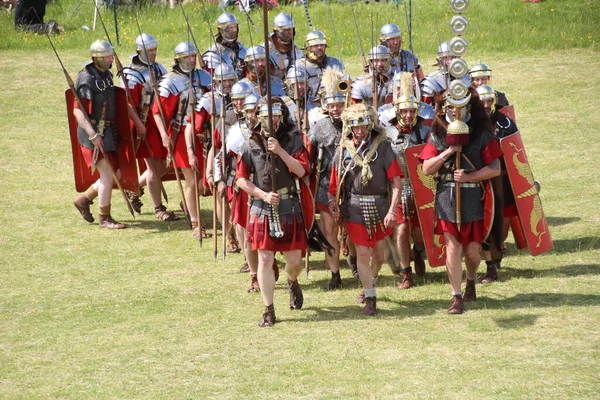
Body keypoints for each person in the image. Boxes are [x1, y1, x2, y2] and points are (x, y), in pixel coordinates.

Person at [419, 89, 503, 314]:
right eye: (450, 108)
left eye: (459, 108)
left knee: (472, 253)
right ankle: (456, 296)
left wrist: (470, 176)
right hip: (446, 197)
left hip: (473, 196)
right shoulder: (437, 134)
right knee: (453, 248)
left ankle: (471, 279)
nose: (455, 113)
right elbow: (426, 168)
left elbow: (495, 168)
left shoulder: (482, 134)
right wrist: (447, 152)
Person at [235, 98, 310, 327]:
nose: (272, 120)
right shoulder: (250, 144)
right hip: (262, 205)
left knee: (295, 261)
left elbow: (301, 171)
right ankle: (269, 309)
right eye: (267, 116)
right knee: (265, 259)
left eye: (276, 115)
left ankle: (292, 280)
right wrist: (262, 194)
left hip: (289, 204)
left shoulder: (293, 140)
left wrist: (280, 151)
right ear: (258, 117)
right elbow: (240, 179)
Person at [328, 103, 402, 315]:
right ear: (350, 127)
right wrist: (334, 203)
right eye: (355, 126)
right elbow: (334, 186)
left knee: (378, 256)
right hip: (354, 207)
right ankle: (370, 296)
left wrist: (392, 210)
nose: (359, 131)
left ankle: (371, 280)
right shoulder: (342, 151)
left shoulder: (383, 147)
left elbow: (396, 182)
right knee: (362, 252)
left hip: (379, 206)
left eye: (363, 126)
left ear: (370, 126)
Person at [121, 33, 180, 222]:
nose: (153, 53)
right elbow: (127, 104)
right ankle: (158, 209)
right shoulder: (131, 74)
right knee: (154, 168)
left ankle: (133, 189)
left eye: (155, 49)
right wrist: (139, 125)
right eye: (149, 50)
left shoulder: (159, 67)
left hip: (159, 122)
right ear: (140, 50)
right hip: (144, 122)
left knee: (164, 166)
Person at [152, 42, 208, 238]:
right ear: (178, 59)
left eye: (194, 56)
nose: (192, 60)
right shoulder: (170, 81)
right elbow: (157, 112)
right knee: (192, 181)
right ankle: (195, 224)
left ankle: (187, 204)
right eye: (187, 57)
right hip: (183, 135)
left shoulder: (204, 76)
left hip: (204, 133)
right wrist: (164, 135)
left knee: (203, 183)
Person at [72, 40, 125, 229]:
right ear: (98, 58)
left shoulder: (107, 75)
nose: (112, 58)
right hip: (93, 134)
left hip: (108, 132)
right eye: (108, 56)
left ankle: (84, 199)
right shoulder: (86, 78)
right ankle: (105, 218)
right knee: (108, 175)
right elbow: (78, 111)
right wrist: (93, 135)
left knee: (115, 172)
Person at [383, 72, 429, 289]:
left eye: (411, 111)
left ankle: (419, 252)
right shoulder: (388, 132)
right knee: (401, 230)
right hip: (398, 187)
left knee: (419, 233)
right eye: (404, 111)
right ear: (397, 111)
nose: (408, 115)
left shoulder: (425, 130)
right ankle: (406, 272)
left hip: (420, 186)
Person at [307, 68, 347, 290]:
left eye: (339, 105)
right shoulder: (319, 128)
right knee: (330, 230)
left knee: (351, 229)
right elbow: (310, 160)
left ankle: (357, 264)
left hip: (352, 184)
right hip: (325, 186)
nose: (336, 109)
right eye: (332, 105)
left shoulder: (355, 123)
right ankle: (335, 273)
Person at [477, 84, 519, 283]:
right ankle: (490, 264)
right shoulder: (471, 122)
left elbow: (515, 150)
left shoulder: (505, 122)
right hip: (478, 179)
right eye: (482, 101)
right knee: (480, 220)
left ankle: (497, 252)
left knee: (501, 218)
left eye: (489, 101)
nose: (486, 105)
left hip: (501, 178)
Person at [294, 30, 344, 104]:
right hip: (308, 105)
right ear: (309, 47)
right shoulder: (299, 66)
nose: (320, 47)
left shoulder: (335, 63)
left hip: (333, 104)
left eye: (322, 45)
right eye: (316, 45)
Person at [202, 12, 247, 79]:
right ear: (221, 30)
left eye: (235, 27)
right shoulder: (213, 54)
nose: (234, 30)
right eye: (230, 27)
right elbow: (212, 79)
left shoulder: (243, 49)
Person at [263, 12, 302, 80]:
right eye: (286, 30)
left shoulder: (296, 49)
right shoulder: (266, 49)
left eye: (291, 29)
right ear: (277, 31)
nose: (290, 32)